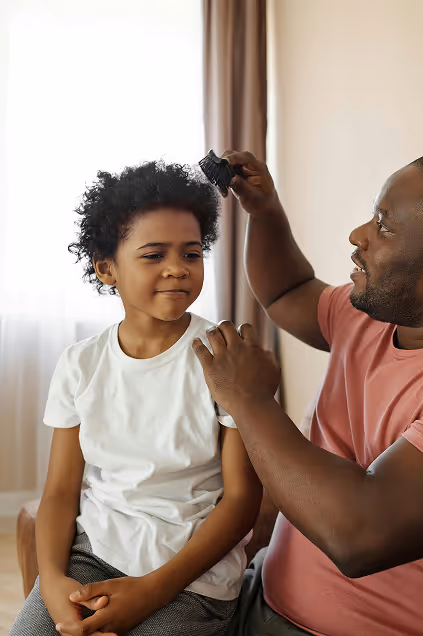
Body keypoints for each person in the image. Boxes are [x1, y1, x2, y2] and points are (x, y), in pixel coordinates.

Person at [192, 151, 423, 636]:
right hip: (264, 597)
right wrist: (265, 211)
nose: (359, 235)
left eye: (384, 224)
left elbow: (359, 536)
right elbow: (287, 292)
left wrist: (250, 401)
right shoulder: (371, 314)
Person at [10, 161, 262, 636]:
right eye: (153, 255)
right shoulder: (80, 365)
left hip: (193, 577)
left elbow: (242, 499)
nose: (177, 268)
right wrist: (52, 584)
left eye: (191, 253)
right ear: (107, 269)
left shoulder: (224, 357)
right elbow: (61, 494)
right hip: (95, 556)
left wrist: (152, 590)